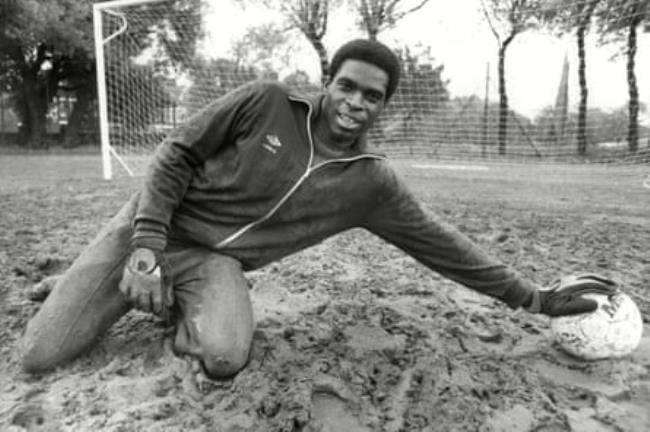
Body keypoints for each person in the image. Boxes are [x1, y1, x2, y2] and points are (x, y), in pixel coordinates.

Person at [20, 39, 616, 378]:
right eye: (348, 87)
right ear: (327, 82)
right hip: (151, 229)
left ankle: (166, 302)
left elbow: (444, 246)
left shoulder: (370, 184)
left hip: (212, 264)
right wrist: (147, 245)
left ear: (384, 106)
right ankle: (100, 276)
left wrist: (532, 299)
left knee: (225, 357)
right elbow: (174, 154)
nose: (356, 103)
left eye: (373, 97)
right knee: (39, 356)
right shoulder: (265, 102)